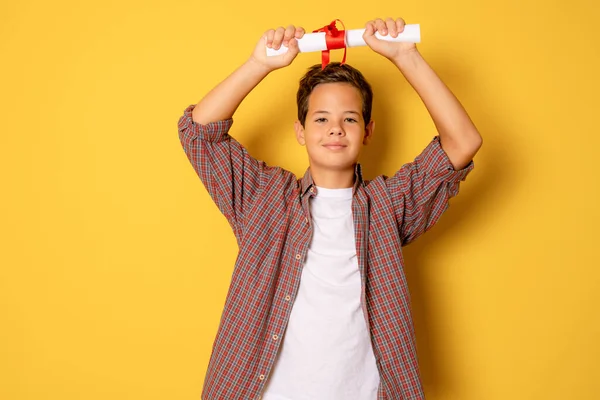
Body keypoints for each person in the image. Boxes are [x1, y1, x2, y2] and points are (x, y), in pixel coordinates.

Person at [178, 17, 482, 400]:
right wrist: (259, 64)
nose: (335, 129)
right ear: (301, 131)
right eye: (321, 118)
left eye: (349, 119)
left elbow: (463, 141)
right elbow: (198, 133)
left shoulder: (388, 206)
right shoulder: (264, 198)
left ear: (368, 131)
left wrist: (407, 56)